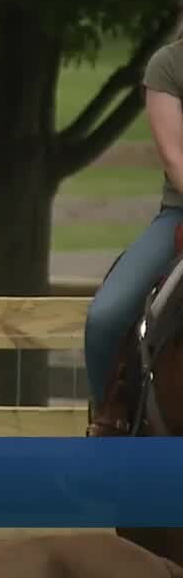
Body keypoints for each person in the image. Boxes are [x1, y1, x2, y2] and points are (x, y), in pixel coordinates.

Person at [84, 30, 183, 412]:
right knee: (106, 317)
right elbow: (175, 160)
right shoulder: (169, 65)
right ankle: (110, 420)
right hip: (179, 213)